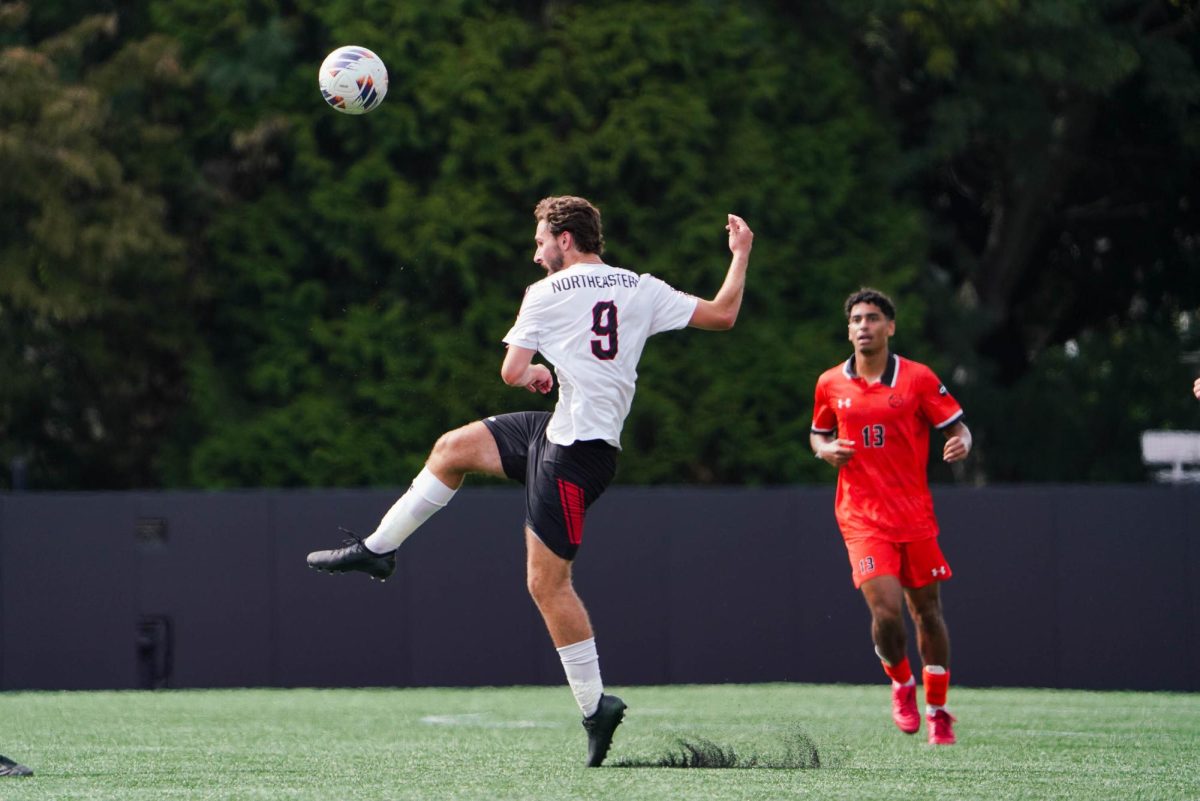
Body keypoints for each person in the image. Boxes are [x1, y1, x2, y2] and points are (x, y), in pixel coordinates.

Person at [307, 196, 753, 767]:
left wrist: (539, 371)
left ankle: (596, 707)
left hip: (574, 458)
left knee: (547, 585)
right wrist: (739, 255)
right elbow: (723, 314)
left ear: (566, 239)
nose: (536, 250)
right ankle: (378, 549)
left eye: (541, 239)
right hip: (566, 435)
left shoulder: (544, 294)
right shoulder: (640, 286)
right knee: (451, 449)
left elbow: (513, 372)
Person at [809, 287, 970, 746]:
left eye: (873, 318)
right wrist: (826, 451)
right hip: (861, 517)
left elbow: (958, 426)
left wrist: (963, 442)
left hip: (914, 517)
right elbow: (817, 434)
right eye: (857, 319)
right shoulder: (830, 383)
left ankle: (938, 709)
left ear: (890, 327)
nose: (864, 326)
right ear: (849, 329)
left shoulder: (917, 379)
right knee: (887, 613)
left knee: (928, 614)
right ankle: (901, 683)